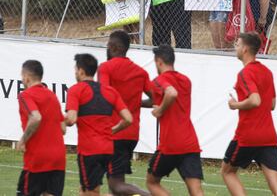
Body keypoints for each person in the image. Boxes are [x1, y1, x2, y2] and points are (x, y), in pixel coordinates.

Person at [221, 33, 277, 196]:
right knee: (275, 182)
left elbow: (255, 100)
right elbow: (271, 104)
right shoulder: (266, 71)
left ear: (244, 49)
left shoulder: (245, 73)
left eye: (237, 45)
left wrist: (235, 104)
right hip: (268, 136)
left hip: (248, 135)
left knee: (227, 172)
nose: (234, 48)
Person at [65, 54, 133, 195]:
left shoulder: (76, 90)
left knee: (91, 190)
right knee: (86, 188)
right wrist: (113, 130)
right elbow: (128, 119)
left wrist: (57, 122)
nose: (75, 73)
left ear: (81, 71)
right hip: (108, 149)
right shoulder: (110, 91)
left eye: (76, 69)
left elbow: (71, 119)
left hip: (89, 150)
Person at [144, 44, 204, 196]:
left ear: (159, 61)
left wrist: (160, 110)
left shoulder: (159, 81)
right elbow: (161, 98)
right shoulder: (186, 80)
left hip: (170, 143)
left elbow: (171, 93)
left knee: (152, 182)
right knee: (196, 190)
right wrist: (137, 103)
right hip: (190, 143)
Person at [98, 30, 152, 196]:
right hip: (132, 134)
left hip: (114, 133)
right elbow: (155, 100)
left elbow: (104, 95)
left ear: (113, 47)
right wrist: (135, 103)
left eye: (107, 44)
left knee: (116, 185)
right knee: (113, 187)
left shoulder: (105, 68)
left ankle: (148, 195)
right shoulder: (140, 72)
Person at [16, 60, 66, 196]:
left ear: (26, 77)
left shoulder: (25, 95)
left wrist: (23, 140)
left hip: (38, 159)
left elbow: (36, 117)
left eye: (22, 76)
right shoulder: (52, 96)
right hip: (58, 159)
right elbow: (63, 129)